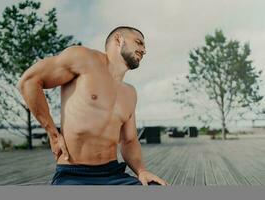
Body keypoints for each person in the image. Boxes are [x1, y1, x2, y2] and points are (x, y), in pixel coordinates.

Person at [17, 26, 169, 186]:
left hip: (113, 174)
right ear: (119, 39)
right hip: (73, 175)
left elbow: (130, 141)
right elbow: (29, 82)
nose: (143, 50)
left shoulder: (130, 93)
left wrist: (141, 170)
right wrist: (53, 134)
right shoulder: (83, 59)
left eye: (144, 47)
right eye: (138, 43)